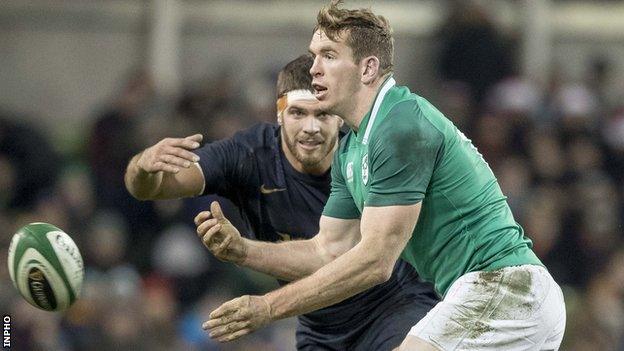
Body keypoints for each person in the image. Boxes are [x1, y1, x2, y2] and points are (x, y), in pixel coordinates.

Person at [197, 1, 566, 350]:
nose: (313, 69)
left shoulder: (399, 124)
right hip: (493, 296)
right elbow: (328, 250)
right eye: (314, 56)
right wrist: (244, 251)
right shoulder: (351, 148)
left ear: (368, 69)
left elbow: (376, 261)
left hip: (506, 289)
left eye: (328, 56)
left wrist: (268, 308)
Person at [125, 54, 438, 350]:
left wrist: (244, 254)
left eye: (323, 114)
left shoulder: (370, 159)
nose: (310, 128)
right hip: (319, 323)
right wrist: (143, 166)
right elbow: (153, 188)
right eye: (298, 113)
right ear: (279, 114)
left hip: (395, 306)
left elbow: (338, 258)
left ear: (340, 117)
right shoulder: (247, 156)